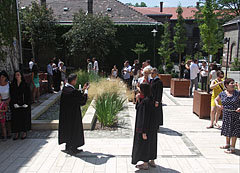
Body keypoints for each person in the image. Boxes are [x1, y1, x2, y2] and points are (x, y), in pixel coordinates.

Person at [58, 73, 89, 155]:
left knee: (67, 129)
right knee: (74, 129)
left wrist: (82, 90)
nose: (76, 81)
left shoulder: (65, 89)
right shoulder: (72, 92)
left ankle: (68, 145)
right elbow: (82, 101)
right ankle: (74, 147)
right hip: (73, 115)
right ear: (73, 81)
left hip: (66, 115)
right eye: (76, 80)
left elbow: (75, 95)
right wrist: (86, 91)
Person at [132, 83, 158, 170]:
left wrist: (143, 131)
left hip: (145, 128)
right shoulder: (151, 99)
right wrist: (138, 100)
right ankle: (152, 160)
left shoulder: (145, 102)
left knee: (144, 145)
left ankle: (145, 163)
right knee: (152, 143)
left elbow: (143, 117)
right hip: (152, 127)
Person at [215, 78, 240, 154]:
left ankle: (232, 148)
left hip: (235, 114)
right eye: (231, 83)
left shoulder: (237, 93)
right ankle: (227, 144)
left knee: (234, 131)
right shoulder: (222, 93)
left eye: (233, 83)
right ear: (226, 85)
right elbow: (216, 99)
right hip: (226, 114)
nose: (233, 85)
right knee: (227, 129)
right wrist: (218, 105)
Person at [10, 71, 31, 140]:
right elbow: (12, 94)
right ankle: (16, 132)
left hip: (24, 104)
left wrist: (27, 103)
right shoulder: (13, 84)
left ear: (21, 76)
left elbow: (28, 94)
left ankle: (24, 131)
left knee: (24, 118)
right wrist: (14, 103)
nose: (17, 76)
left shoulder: (25, 84)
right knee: (16, 118)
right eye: (16, 75)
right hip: (16, 104)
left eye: (18, 75)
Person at [0, 71, 11, 139]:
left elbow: (12, 94)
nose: (1, 78)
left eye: (2, 77)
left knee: (8, 119)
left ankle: (9, 132)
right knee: (2, 120)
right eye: (0, 77)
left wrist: (8, 101)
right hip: (1, 103)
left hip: (7, 102)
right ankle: (3, 134)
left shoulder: (8, 84)